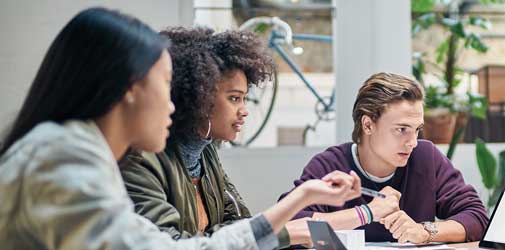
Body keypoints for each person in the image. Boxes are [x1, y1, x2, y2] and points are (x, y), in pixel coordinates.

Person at [0, 7, 360, 249]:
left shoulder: (74, 152)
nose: (173, 102)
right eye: (166, 82)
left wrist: (302, 198)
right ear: (130, 88)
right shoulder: (64, 157)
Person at [118, 26, 300, 247]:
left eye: (244, 99)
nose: (244, 110)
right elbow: (170, 242)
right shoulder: (141, 160)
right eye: (234, 99)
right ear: (198, 96)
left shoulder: (206, 151)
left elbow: (240, 222)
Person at [278, 72, 488, 245]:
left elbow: (476, 216)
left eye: (417, 130)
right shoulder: (330, 165)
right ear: (368, 125)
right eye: (401, 129)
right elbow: (288, 224)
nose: (412, 141)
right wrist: (366, 213)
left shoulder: (426, 157)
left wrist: (424, 231)